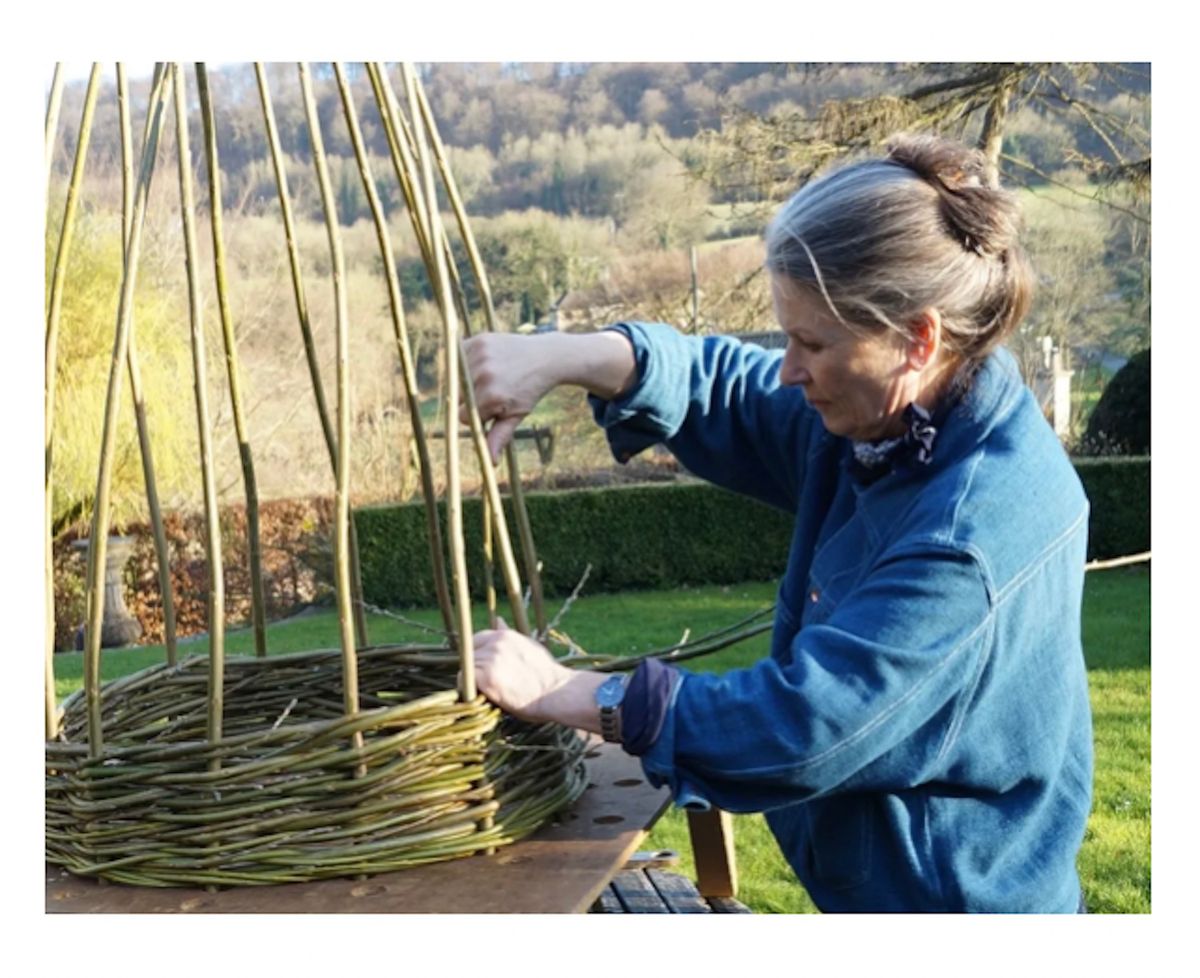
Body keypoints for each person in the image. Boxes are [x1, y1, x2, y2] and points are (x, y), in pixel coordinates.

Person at [464, 134, 1093, 913]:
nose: (790, 370)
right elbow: (727, 388)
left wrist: (570, 692)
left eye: (811, 342)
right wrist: (560, 356)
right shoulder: (899, 407)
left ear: (916, 338)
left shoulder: (971, 530)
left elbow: (803, 725)